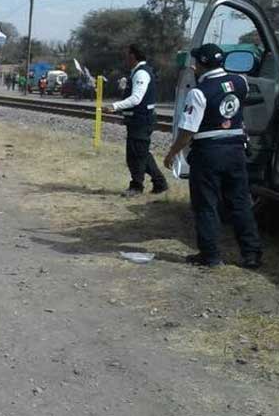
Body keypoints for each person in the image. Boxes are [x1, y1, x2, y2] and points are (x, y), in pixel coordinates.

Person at [164, 44, 262, 269]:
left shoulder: (198, 92)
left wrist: (172, 152)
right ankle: (252, 254)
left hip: (208, 153)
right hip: (236, 150)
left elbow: (188, 131)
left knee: (206, 204)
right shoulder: (240, 82)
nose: (193, 66)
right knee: (240, 203)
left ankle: (210, 255)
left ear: (201, 64)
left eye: (195, 62)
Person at [103, 44, 168, 196]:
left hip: (141, 120)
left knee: (135, 155)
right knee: (141, 153)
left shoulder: (141, 74)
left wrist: (115, 106)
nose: (125, 58)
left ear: (133, 56)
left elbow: (136, 99)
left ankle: (136, 187)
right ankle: (159, 183)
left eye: (127, 55)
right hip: (138, 120)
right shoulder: (137, 73)